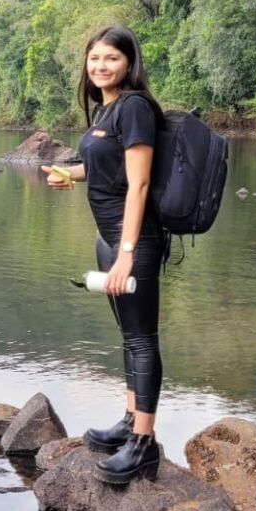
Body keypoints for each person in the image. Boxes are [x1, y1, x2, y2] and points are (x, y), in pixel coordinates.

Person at [62, 25, 169, 484]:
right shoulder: (107, 110)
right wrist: (73, 174)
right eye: (94, 58)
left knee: (142, 338)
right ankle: (130, 421)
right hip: (109, 237)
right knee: (128, 334)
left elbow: (139, 183)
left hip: (135, 239)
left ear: (129, 64)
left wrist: (126, 253)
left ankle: (144, 443)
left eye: (111, 58)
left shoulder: (135, 108)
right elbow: (110, 168)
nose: (101, 66)